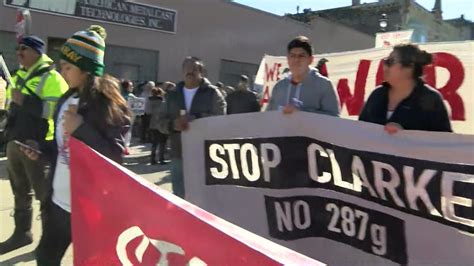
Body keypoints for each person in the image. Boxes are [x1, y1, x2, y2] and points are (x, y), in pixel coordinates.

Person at [21, 25, 131, 265]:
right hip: (58, 202)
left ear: (86, 69)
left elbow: (115, 157)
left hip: (89, 208)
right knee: (45, 257)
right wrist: (39, 150)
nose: (62, 72)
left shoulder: (107, 104)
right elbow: (61, 150)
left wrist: (81, 129)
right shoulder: (65, 99)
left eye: (67, 67)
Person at [0, 36, 68, 255]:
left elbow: (58, 112)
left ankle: (48, 242)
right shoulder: (19, 76)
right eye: (17, 48)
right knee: (19, 191)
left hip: (38, 147)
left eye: (24, 49)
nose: (19, 52)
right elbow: (12, 108)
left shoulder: (53, 78)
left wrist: (26, 102)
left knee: (44, 195)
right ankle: (22, 234)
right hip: (15, 142)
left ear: (37, 52)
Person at [157, 56, 225, 198]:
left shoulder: (213, 93)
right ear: (182, 71)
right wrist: (172, 125)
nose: (190, 71)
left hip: (204, 153)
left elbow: (220, 119)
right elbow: (159, 120)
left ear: (201, 72)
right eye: (187, 68)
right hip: (178, 152)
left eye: (194, 69)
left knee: (202, 196)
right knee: (179, 195)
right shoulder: (172, 95)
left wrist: (196, 121)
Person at [359, 44, 452, 133]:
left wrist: (405, 136)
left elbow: (443, 142)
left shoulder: (431, 98)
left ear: (409, 67)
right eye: (385, 61)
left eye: (390, 62)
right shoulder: (377, 95)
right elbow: (360, 131)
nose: (384, 67)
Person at [266, 36, 339, 116]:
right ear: (287, 59)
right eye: (293, 56)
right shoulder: (279, 86)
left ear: (311, 60)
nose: (296, 60)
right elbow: (268, 117)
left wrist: (303, 113)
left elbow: (334, 118)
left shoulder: (324, 85)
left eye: (301, 56)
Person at [148, 85, 167, 165]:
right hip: (161, 125)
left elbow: (147, 112)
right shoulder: (163, 103)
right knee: (162, 143)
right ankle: (161, 159)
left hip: (152, 124)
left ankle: (152, 159)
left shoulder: (148, 102)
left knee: (154, 143)